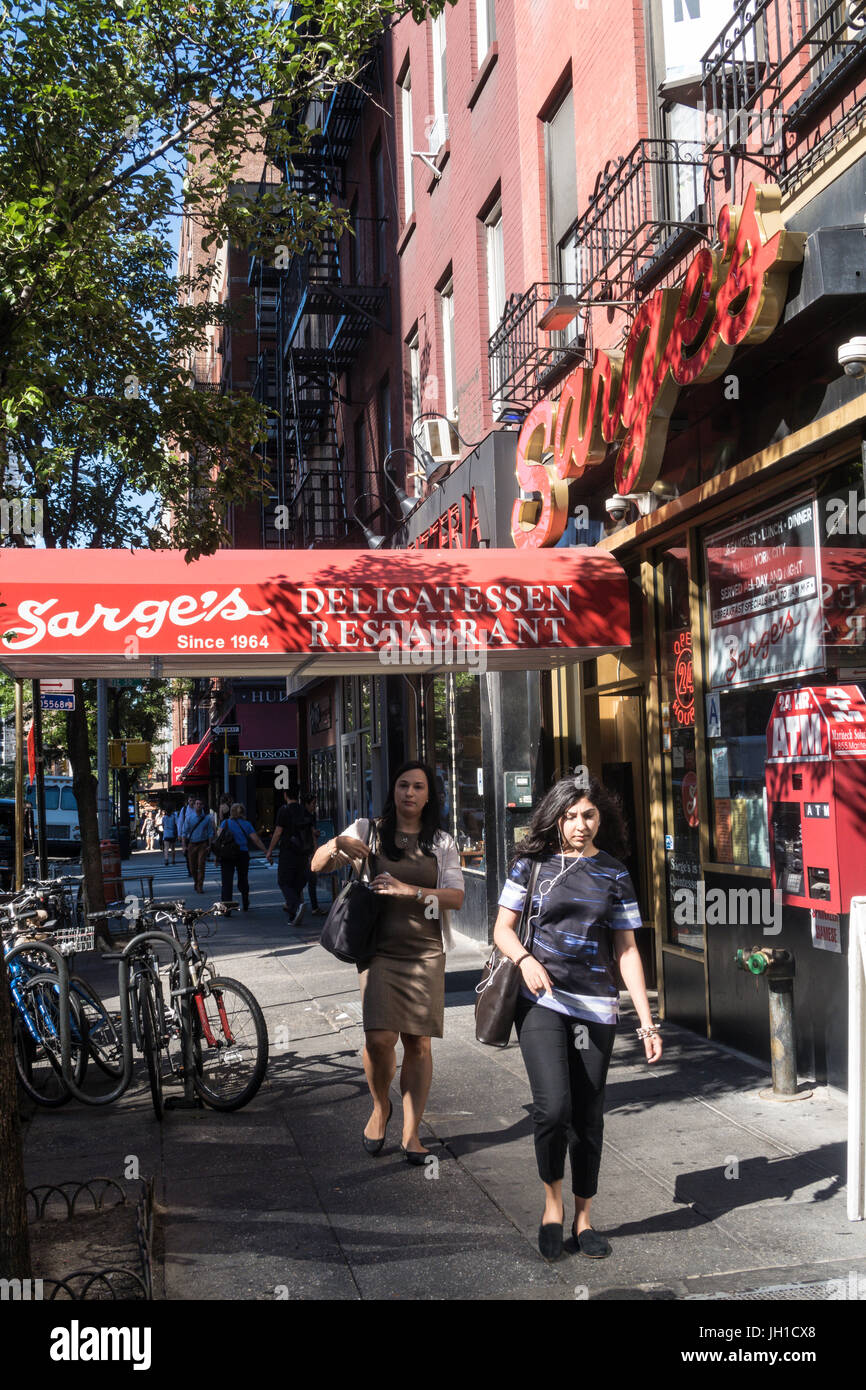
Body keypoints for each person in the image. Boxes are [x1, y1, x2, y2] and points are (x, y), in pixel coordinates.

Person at [492, 774, 662, 1263]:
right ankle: (551, 1205)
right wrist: (525, 960)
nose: (580, 825)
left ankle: (583, 1217)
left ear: (600, 817)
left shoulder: (614, 873)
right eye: (569, 816)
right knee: (552, 1109)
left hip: (596, 1008)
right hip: (541, 1000)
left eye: (588, 815)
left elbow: (627, 950)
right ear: (556, 817)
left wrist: (646, 1023)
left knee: (588, 1117)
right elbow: (503, 929)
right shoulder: (532, 864)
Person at [312, 761, 465, 1164]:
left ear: (429, 795)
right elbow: (315, 866)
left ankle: (412, 1135)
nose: (409, 793)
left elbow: (455, 897)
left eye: (418, 787)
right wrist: (335, 846)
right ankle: (381, 1106)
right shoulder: (367, 830)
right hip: (378, 951)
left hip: (425, 952)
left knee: (418, 1042)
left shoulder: (442, 842)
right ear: (392, 790)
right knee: (379, 1040)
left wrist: (409, 891)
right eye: (402, 785)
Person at [265, 789, 309, 925]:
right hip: (302, 851)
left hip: (288, 850)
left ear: (285, 795)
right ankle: (293, 915)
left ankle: (295, 905)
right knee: (297, 881)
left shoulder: (284, 810)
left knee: (283, 881)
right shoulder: (303, 810)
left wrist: (270, 851)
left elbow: (278, 832)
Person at [218, 803, 267, 913]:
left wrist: (217, 857)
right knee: (243, 879)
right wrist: (266, 851)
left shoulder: (225, 823)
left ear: (231, 812)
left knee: (226, 882)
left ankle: (226, 908)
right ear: (243, 813)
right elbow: (256, 840)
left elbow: (218, 839)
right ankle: (245, 901)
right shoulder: (247, 824)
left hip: (227, 854)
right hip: (242, 854)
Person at [183, 797, 215, 894]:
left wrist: (210, 845)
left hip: (202, 844)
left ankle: (200, 885)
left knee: (201, 865)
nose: (198, 805)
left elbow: (210, 832)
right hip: (192, 844)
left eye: (200, 804)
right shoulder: (189, 818)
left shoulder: (207, 819)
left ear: (203, 806)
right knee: (192, 867)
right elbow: (184, 832)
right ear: (194, 805)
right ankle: (196, 882)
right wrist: (184, 846)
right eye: (197, 804)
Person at [300, 793, 323, 915]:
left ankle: (297, 903)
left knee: (306, 878)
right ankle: (314, 907)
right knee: (311, 879)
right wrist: (315, 851)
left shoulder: (302, 816)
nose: (315, 806)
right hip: (308, 851)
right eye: (313, 803)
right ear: (307, 804)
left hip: (300, 850)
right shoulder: (309, 818)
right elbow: (313, 835)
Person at [177, 794, 197, 876]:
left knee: (196, 854)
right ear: (188, 801)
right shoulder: (184, 810)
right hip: (187, 836)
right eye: (190, 801)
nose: (191, 802)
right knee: (188, 855)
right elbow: (180, 822)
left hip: (197, 836)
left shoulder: (198, 808)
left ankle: (195, 869)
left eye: (193, 801)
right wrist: (180, 834)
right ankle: (190, 871)